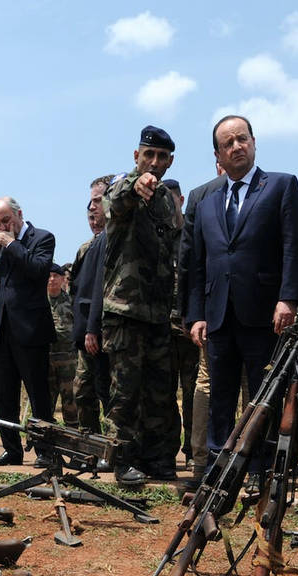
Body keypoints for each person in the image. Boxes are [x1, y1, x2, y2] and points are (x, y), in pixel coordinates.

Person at [184, 115, 298, 475]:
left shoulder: (281, 186)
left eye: (242, 139)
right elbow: (197, 264)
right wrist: (196, 315)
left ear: (253, 142)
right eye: (228, 143)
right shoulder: (207, 201)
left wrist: (289, 298)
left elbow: (293, 247)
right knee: (219, 394)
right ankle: (218, 468)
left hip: (264, 311)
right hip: (219, 314)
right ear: (218, 155)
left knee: (263, 393)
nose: (236, 146)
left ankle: (260, 468)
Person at [102, 126, 181, 484]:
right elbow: (115, 202)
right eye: (148, 154)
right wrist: (135, 186)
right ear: (137, 156)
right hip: (125, 311)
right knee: (125, 391)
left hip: (159, 313)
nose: (154, 162)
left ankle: (157, 458)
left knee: (160, 390)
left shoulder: (166, 199)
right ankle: (122, 460)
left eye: (161, 156)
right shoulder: (123, 185)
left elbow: (174, 249)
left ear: (170, 161)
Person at [0, 196, 55, 466]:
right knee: (5, 396)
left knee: (38, 395)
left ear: (19, 214)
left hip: (31, 332)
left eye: (6, 220)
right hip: (3, 332)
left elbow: (36, 269)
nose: (2, 226)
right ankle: (12, 449)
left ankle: (46, 450)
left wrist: (10, 243)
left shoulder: (42, 238)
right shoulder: (1, 248)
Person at [178, 164, 228, 479]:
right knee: (209, 382)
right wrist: (193, 313)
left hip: (240, 308)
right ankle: (203, 459)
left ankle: (206, 460)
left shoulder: (270, 188)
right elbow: (190, 258)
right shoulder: (202, 195)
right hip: (213, 309)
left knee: (211, 382)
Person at [70, 175, 112, 434]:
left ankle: (111, 447)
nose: (92, 207)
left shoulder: (116, 241)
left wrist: (94, 328)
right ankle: (91, 446)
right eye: (90, 202)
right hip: (86, 335)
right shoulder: (87, 247)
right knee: (83, 392)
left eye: (98, 200)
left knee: (108, 391)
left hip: (105, 333)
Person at [164, 178, 199, 468]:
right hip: (161, 329)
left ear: (181, 199)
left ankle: (192, 450)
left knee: (192, 393)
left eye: (171, 198)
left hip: (188, 328)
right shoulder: (156, 231)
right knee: (163, 394)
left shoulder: (193, 230)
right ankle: (167, 450)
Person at [46, 262, 78, 431]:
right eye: (49, 276)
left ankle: (73, 436)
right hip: (46, 360)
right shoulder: (38, 301)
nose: (52, 280)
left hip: (68, 360)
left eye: (56, 276)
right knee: (46, 403)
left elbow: (75, 329)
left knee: (70, 402)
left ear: (62, 279)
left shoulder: (71, 301)